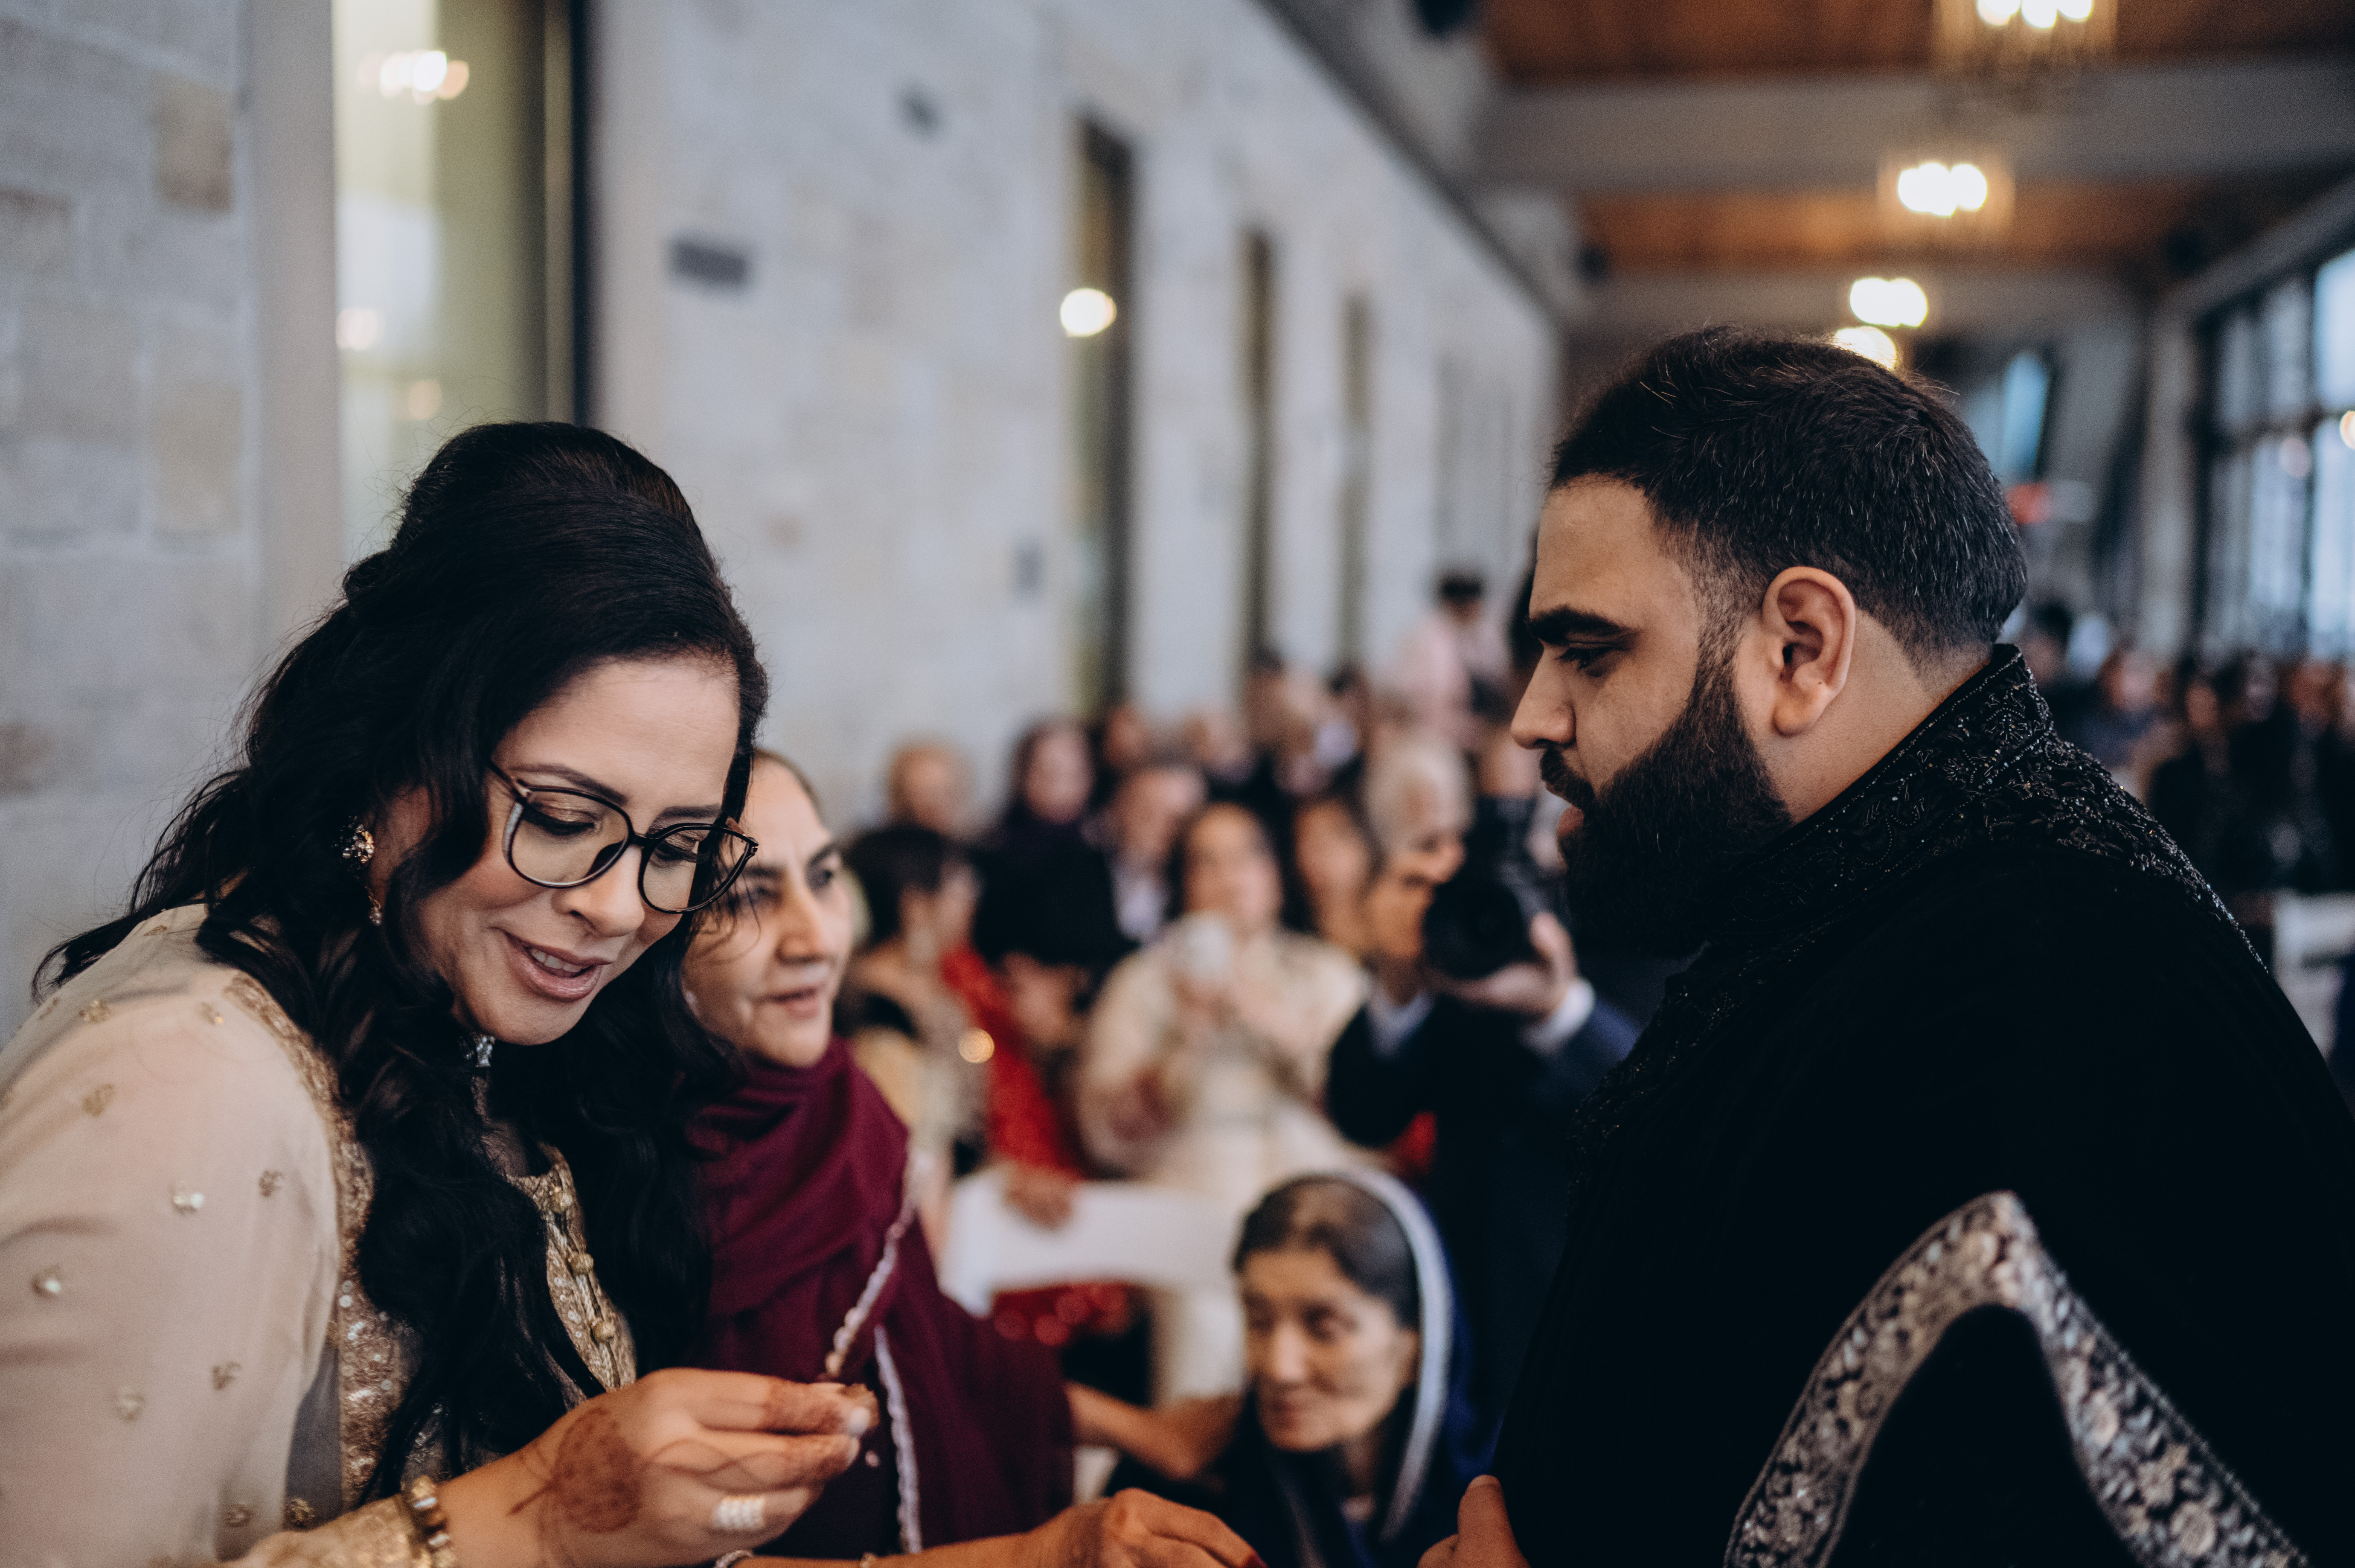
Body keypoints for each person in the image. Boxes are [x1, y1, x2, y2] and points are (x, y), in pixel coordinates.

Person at [1445, 329, 2355, 1565]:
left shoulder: (2053, 996)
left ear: (1801, 648)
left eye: (1589, 651)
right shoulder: (1877, 904)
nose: (1533, 717)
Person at [0, 423, 877, 1567]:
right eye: (561, 818)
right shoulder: (185, 1085)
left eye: (677, 847)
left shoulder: (474, 1034)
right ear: (390, 753)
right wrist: (541, 1516)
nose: (618, 908)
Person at [689, 752, 1254, 1568]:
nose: (817, 938)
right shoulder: (632, 1171)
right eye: (747, 896)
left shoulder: (843, 1105)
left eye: (824, 878)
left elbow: (938, 1349)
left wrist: (1147, 1431)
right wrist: (1032, 1559)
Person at [1325, 848, 1636, 1436]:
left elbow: (1653, 1102)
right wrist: (1398, 985)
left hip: (1589, 1291)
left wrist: (1558, 1009)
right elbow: (1364, 1113)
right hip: (1459, 1291)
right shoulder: (1451, 939)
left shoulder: (1642, 897)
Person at [1079, 803, 1370, 1398]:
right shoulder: (1142, 981)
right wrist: (1188, 1034)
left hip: (1314, 1199)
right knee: (1204, 1325)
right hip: (1190, 1210)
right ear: (1184, 883)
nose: (1229, 877)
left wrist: (1266, 1017)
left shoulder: (1324, 971)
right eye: (1206, 862)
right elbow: (1108, 1133)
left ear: (1275, 874)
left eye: (1246, 857)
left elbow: (1369, 1106)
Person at [1102, 1174, 1486, 1568]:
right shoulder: (1176, 1490)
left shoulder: (1493, 1499)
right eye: (1259, 1319)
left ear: (1417, 1348)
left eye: (1325, 1327)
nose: (1279, 1368)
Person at [1102, 752, 1210, 945]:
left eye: (1180, 820)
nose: (1165, 829)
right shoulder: (1067, 878)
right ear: (1119, 807)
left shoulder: (1202, 886)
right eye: (1149, 813)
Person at [886, 739, 974, 838]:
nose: (936, 803)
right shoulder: (881, 845)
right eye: (924, 795)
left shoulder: (972, 842)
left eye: (946, 793)